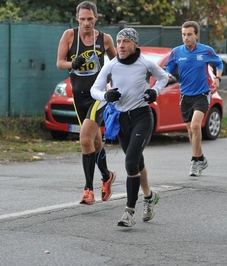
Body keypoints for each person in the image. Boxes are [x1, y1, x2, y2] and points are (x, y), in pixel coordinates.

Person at [90, 28, 169, 227]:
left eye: (126, 41)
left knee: (131, 161)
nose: (121, 45)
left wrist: (154, 91)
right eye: (119, 41)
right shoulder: (112, 66)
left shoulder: (145, 63)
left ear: (134, 44)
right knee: (136, 161)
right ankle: (149, 197)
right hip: (121, 119)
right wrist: (105, 96)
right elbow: (95, 89)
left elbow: (164, 77)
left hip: (142, 116)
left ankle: (129, 212)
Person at [56, 1, 117, 204]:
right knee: (95, 142)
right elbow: (59, 63)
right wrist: (72, 64)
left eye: (89, 19)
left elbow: (116, 64)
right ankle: (107, 176)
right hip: (79, 96)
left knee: (84, 140)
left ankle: (88, 190)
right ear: (77, 19)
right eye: (82, 19)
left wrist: (116, 86)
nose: (86, 23)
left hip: (97, 96)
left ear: (96, 18)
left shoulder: (105, 39)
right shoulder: (69, 36)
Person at [165, 21, 223, 177]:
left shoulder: (206, 51)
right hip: (185, 96)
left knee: (196, 126)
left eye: (189, 34)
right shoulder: (176, 52)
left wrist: (217, 79)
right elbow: (169, 69)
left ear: (196, 35)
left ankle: (194, 161)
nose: (186, 38)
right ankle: (201, 158)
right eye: (183, 34)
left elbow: (219, 63)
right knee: (190, 130)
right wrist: (168, 75)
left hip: (202, 94)